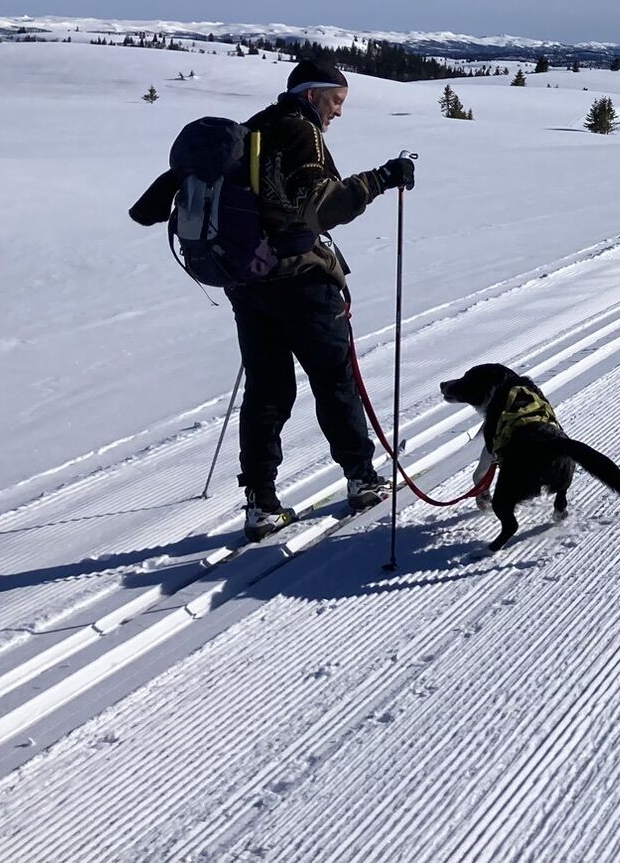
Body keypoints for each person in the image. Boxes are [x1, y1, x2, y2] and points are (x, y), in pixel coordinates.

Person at [136, 56, 415, 538]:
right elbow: (324, 208)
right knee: (334, 381)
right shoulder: (299, 131)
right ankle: (362, 481)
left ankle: (260, 503)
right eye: (336, 100)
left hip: (246, 284)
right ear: (311, 95)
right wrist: (383, 178)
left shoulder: (250, 129)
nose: (339, 112)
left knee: (266, 392)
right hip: (301, 283)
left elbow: (150, 210)